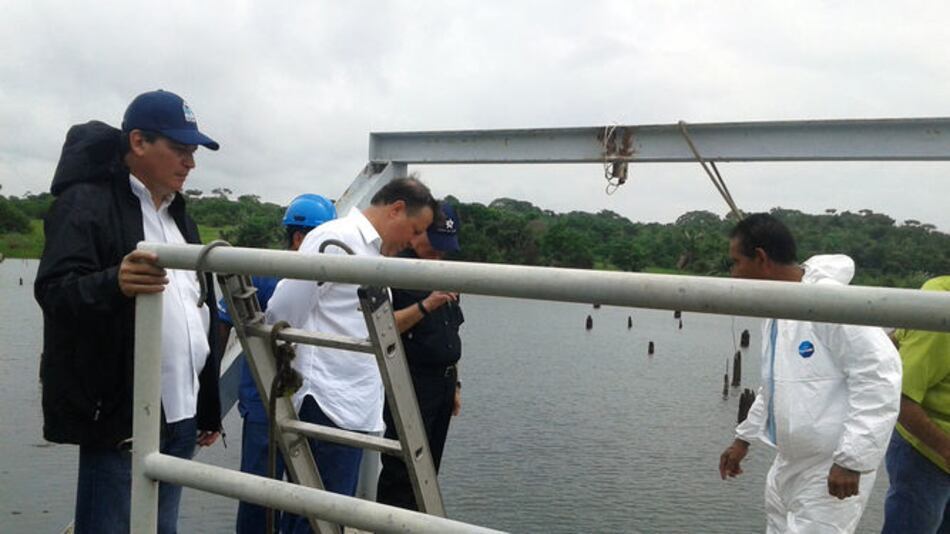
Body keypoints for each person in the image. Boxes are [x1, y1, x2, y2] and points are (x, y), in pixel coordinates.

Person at [34, 90, 222, 533]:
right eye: (179, 149)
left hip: (181, 415)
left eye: (192, 152)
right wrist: (111, 282)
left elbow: (199, 312)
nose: (189, 163)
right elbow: (54, 291)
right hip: (122, 416)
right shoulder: (84, 204)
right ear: (138, 142)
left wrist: (208, 406)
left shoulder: (179, 217)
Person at [265, 177, 437, 532]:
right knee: (315, 518)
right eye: (415, 229)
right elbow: (283, 309)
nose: (413, 241)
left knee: (326, 514)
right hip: (326, 401)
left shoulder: (371, 253)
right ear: (397, 209)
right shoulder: (337, 239)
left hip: (351, 405)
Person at [717, 213, 901, 534]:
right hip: (787, 463)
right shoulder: (778, 310)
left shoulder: (830, 303)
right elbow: (774, 386)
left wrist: (852, 460)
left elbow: (880, 375)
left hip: (829, 467)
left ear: (761, 258)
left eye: (736, 262)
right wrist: (743, 439)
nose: (734, 273)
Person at [217, 194, 336, 534]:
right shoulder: (275, 274)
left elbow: (224, 326)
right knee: (274, 494)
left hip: (288, 399)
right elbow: (226, 325)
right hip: (271, 400)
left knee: (270, 493)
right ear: (300, 238)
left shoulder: (276, 271)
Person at [377, 202, 465, 510]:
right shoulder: (393, 265)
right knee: (401, 470)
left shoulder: (443, 268)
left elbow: (453, 331)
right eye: (434, 244)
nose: (439, 254)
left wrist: (456, 385)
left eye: (446, 248)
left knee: (429, 468)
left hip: (443, 383)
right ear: (418, 229)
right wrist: (427, 304)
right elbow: (381, 325)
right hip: (410, 380)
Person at [882, 275, 950, 534]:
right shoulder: (940, 307)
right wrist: (946, 449)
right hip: (927, 452)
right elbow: (900, 396)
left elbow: (895, 339)